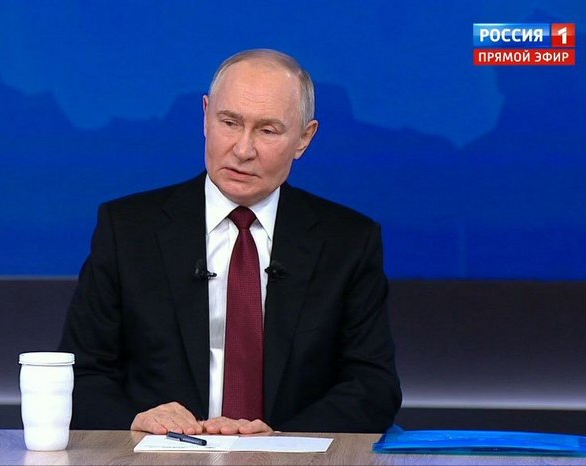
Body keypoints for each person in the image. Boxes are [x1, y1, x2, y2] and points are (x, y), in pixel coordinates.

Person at [58, 48, 401, 435]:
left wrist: (281, 441)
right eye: (230, 122)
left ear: (304, 138)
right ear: (206, 116)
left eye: (267, 130)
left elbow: (373, 387)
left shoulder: (348, 242)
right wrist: (136, 421)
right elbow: (78, 374)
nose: (242, 149)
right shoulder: (128, 231)